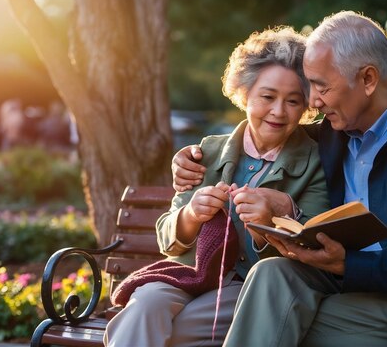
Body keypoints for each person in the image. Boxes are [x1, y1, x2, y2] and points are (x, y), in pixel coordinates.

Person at [172, 11, 387, 346]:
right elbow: (269, 132)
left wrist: (351, 264)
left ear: (368, 80)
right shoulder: (335, 131)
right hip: (344, 282)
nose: (313, 102)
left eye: (321, 86)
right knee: (271, 274)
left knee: (271, 321)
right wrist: (198, 156)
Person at [103, 26, 330, 347]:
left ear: (306, 105)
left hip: (250, 285)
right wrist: (191, 215)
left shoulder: (315, 162)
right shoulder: (206, 152)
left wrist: (265, 226)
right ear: (245, 93)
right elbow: (168, 238)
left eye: (293, 101)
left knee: (171, 331)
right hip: (189, 275)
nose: (279, 111)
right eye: (267, 97)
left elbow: (311, 246)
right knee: (145, 305)